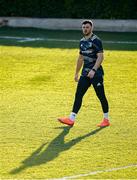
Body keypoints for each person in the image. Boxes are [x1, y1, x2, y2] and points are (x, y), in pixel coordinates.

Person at [58, 20, 110, 127]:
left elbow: (101, 57)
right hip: (85, 74)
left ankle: (106, 119)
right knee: (78, 95)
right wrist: (76, 73)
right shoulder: (81, 41)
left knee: (101, 96)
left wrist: (94, 70)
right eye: (83, 27)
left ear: (91, 28)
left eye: (87, 27)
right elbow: (81, 58)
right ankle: (71, 119)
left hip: (96, 74)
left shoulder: (96, 40)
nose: (85, 29)